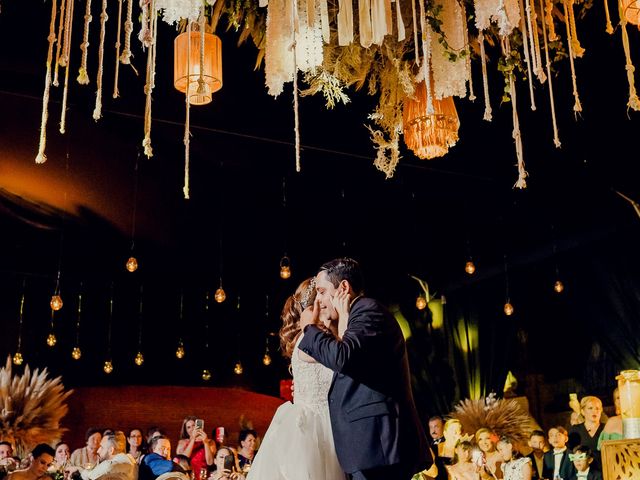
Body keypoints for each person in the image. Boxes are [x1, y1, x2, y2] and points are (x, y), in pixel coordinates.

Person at [299, 258, 432, 479]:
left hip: (381, 445)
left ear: (343, 287)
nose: (318, 300)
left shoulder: (368, 310)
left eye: (322, 292)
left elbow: (342, 358)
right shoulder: (354, 317)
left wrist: (309, 328)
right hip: (371, 447)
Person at [246, 277, 345, 480]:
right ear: (313, 307)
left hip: (326, 424)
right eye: (323, 296)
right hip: (315, 430)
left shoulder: (317, 338)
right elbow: (342, 357)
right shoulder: (309, 340)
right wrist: (341, 318)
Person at [66, 432, 136, 480]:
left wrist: (79, 469)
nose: (98, 451)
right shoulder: (124, 461)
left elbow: (92, 476)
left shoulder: (121, 461)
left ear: (111, 450)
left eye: (102, 447)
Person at [568, 397, 604, 471]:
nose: (594, 411)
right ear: (583, 411)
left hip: (605, 471)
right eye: (590, 408)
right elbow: (571, 455)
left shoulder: (607, 428)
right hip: (583, 474)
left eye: (597, 408)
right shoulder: (575, 430)